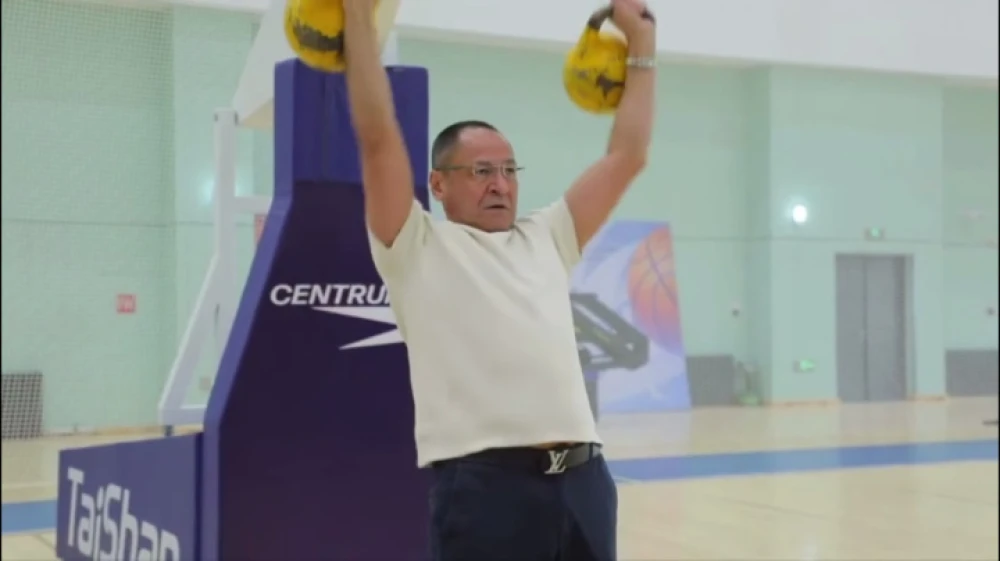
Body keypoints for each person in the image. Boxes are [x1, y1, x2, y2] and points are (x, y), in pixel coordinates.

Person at [341, 0, 656, 558]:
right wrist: (358, 22)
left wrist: (644, 46)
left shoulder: (549, 235)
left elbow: (627, 155)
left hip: (585, 484)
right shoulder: (415, 245)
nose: (501, 184)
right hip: (488, 492)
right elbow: (378, 137)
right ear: (438, 185)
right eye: (481, 171)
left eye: (509, 170)